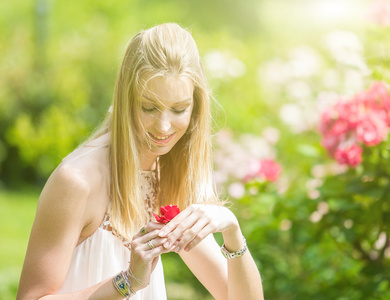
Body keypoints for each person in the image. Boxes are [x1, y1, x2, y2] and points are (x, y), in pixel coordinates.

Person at [17, 23, 264, 300]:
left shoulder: (167, 175)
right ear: (126, 99)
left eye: (179, 109)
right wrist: (128, 282)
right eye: (149, 107)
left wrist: (231, 229)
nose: (163, 126)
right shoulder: (77, 181)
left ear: (196, 108)